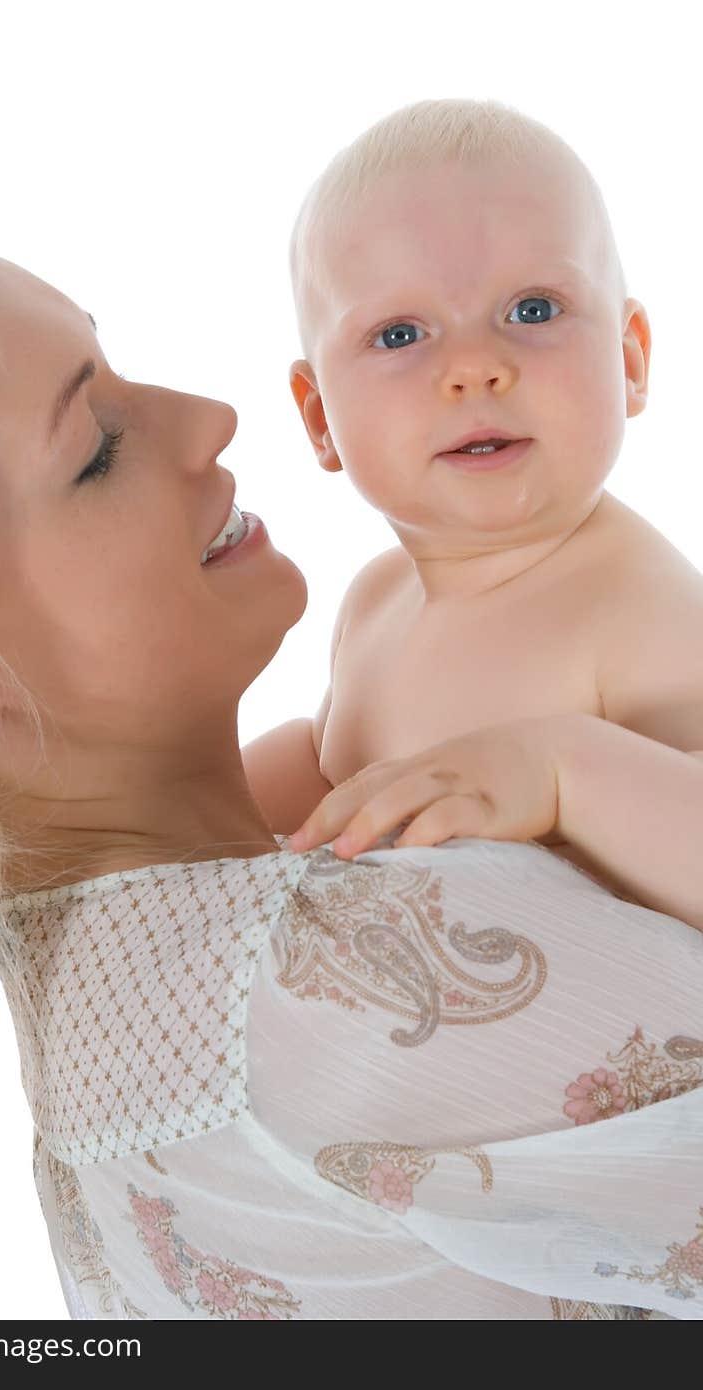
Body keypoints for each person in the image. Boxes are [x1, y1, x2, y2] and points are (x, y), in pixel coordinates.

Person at [0, 224, 701, 1322]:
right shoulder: (351, 988)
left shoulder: (104, 1019)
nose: (209, 420)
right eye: (96, 445)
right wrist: (581, 766)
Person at [242, 98, 703, 903]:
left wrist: (566, 770)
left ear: (628, 362)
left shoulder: (638, 609)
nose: (475, 367)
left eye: (533, 310)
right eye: (399, 335)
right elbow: (333, 789)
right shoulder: (374, 603)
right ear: (320, 419)